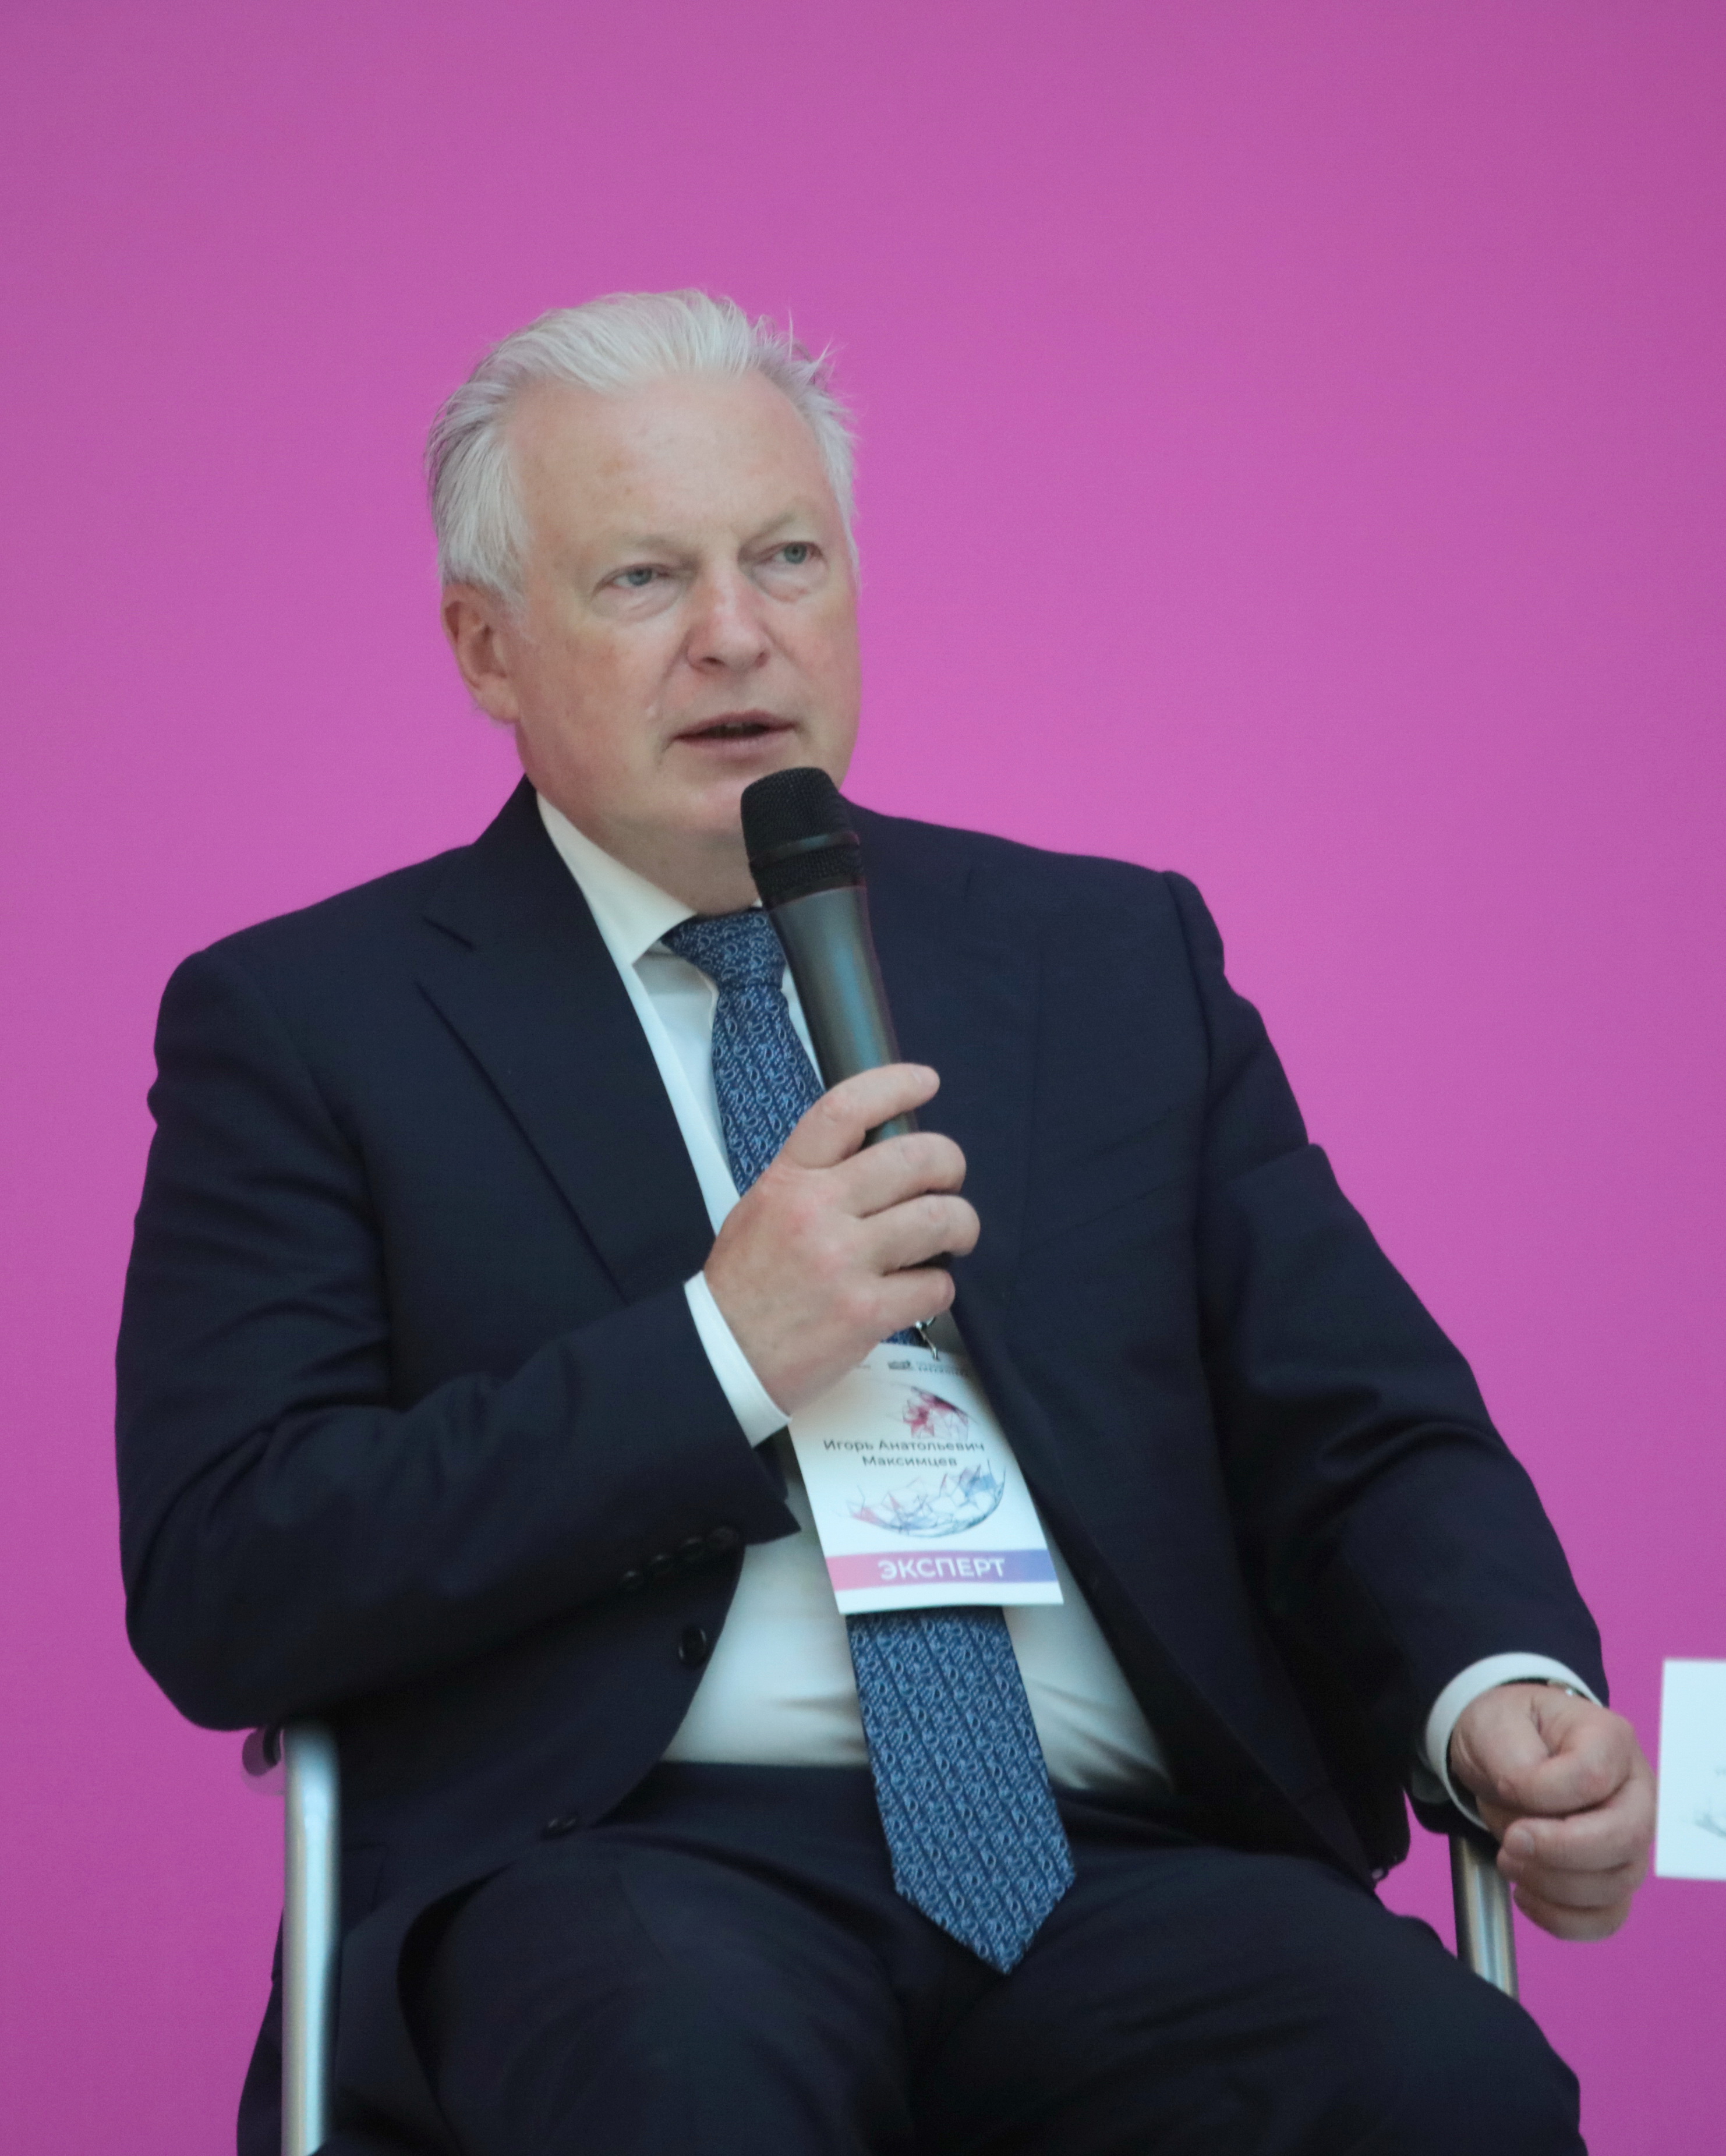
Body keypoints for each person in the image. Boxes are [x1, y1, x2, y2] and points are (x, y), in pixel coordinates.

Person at [116, 292, 1654, 2156]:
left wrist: (1493, 1691)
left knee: (1436, 2086)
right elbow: (231, 1575)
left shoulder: (1103, 959)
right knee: (682, 2073)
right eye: (642, 579)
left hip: (1125, 1866)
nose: (735, 632)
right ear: (486, 648)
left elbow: (1356, 1425)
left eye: (785, 558)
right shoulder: (315, 1021)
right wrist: (719, 1352)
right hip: (628, 1866)